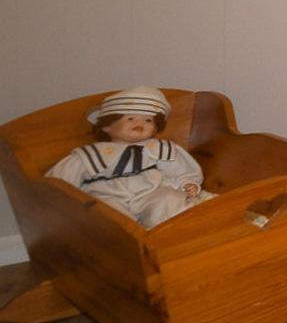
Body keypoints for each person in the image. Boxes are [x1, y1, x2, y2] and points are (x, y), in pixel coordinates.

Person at [44, 87, 213, 227]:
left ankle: (172, 232)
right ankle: (128, 239)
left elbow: (180, 169)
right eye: (130, 119)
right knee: (106, 214)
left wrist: (187, 183)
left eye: (148, 121)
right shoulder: (91, 154)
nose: (139, 125)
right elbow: (60, 180)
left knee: (169, 199)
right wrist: (59, 203)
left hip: (150, 192)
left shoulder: (157, 148)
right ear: (107, 126)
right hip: (109, 197)